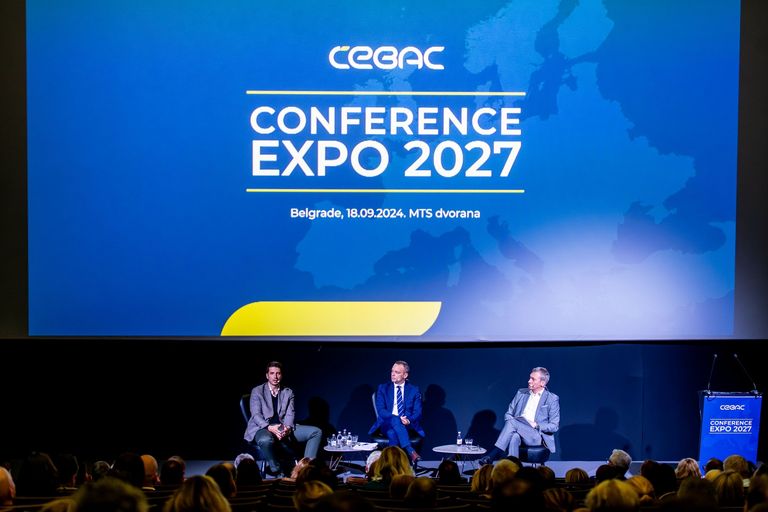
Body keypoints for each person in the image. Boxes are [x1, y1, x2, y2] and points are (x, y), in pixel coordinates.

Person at [243, 361, 322, 477]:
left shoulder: (288, 392)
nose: (275, 377)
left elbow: (290, 414)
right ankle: (277, 471)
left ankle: (306, 470)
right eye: (272, 373)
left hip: (283, 427)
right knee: (265, 440)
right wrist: (270, 427)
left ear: (281, 375)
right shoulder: (257, 391)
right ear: (267, 375)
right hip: (263, 427)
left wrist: (287, 428)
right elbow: (256, 415)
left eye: (278, 373)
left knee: (316, 432)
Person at [478, 367, 560, 465]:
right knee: (514, 436)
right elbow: (508, 414)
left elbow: (554, 426)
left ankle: (493, 455)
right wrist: (513, 423)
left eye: (533, 379)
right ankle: (513, 467)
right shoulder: (521, 393)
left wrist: (536, 425)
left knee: (513, 423)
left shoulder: (552, 399)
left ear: (542, 383)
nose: (529, 381)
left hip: (536, 435)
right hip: (518, 431)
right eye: (529, 378)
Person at [369, 360, 425, 463]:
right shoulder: (383, 388)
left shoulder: (414, 390)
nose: (393, 374)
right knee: (395, 419)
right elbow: (381, 410)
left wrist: (408, 420)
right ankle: (410, 451)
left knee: (392, 433)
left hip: (407, 425)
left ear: (405, 375)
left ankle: (392, 464)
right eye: (392, 371)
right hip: (387, 423)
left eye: (397, 372)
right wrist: (397, 418)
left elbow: (418, 412)